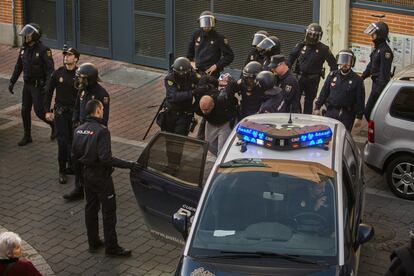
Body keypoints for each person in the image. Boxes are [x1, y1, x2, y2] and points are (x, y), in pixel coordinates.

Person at [72, 99, 139, 257]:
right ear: (97, 111)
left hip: (86, 174)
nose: (103, 111)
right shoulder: (102, 131)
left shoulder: (78, 129)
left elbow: (74, 155)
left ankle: (93, 242)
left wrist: (79, 178)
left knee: (91, 208)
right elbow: (106, 158)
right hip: (101, 177)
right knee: (109, 212)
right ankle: (112, 247)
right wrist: (129, 165)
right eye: (101, 109)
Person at [63, 62, 110, 201]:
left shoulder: (102, 94)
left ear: (90, 79)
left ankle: (96, 188)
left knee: (93, 162)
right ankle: (79, 187)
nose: (79, 81)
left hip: (93, 134)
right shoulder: (82, 91)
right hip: (80, 131)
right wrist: (75, 121)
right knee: (76, 159)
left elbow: (104, 118)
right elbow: (77, 107)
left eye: (82, 78)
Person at [8, 23, 55, 146]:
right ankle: (27, 135)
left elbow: (50, 70)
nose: (25, 38)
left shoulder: (44, 50)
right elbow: (18, 66)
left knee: (39, 111)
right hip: (27, 85)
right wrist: (12, 81)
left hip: (38, 86)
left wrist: (48, 85)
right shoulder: (24, 49)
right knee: (24, 110)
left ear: (34, 36)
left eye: (27, 36)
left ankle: (54, 126)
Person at [44, 47, 80, 184]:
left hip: (74, 114)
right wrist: (47, 111)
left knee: (74, 142)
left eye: (69, 55)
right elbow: (48, 92)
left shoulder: (79, 75)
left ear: (76, 58)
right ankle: (62, 170)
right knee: (62, 143)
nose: (66, 57)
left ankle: (72, 166)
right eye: (65, 55)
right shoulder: (58, 73)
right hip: (60, 114)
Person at [288, 23, 337, 114]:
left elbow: (333, 64)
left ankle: (306, 119)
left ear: (319, 36)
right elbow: (291, 57)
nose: (312, 37)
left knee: (309, 101)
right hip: (300, 77)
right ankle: (296, 116)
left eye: (315, 35)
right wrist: (288, 72)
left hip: (313, 79)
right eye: (310, 34)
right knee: (295, 98)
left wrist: (332, 78)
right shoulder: (301, 45)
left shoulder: (324, 49)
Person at [314, 49, 365, 131]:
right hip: (331, 111)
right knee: (327, 135)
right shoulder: (332, 75)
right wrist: (317, 107)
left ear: (352, 63)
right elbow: (324, 92)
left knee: (342, 137)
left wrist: (359, 117)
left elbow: (360, 100)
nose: (344, 64)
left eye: (347, 61)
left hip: (347, 115)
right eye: (342, 60)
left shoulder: (357, 80)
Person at [197, 74, 237, 155]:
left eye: (207, 110)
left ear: (212, 105)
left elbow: (233, 84)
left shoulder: (224, 98)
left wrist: (230, 80)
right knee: (209, 145)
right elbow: (204, 78)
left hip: (225, 123)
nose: (204, 112)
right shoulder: (202, 93)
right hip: (211, 123)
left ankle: (220, 163)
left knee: (222, 151)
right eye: (221, 85)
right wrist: (214, 81)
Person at [187, 10, 234, 79]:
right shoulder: (196, 34)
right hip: (196, 71)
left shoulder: (219, 38)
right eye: (204, 22)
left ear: (213, 22)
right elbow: (189, 52)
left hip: (211, 73)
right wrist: (191, 62)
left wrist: (217, 66)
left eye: (209, 22)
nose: (206, 26)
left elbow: (229, 56)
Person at [362, 21, 394, 120]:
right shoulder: (378, 48)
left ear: (380, 35)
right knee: (370, 113)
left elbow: (384, 74)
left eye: (374, 33)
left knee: (369, 112)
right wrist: (362, 77)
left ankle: (376, 133)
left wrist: (378, 91)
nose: (371, 35)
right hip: (375, 83)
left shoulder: (385, 51)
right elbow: (371, 65)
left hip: (379, 87)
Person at [162, 57, 200, 136]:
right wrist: (192, 92)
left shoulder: (194, 77)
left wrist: (194, 108)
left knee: (179, 139)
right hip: (171, 113)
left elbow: (200, 94)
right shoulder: (170, 78)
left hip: (184, 114)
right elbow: (173, 97)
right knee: (168, 138)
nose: (181, 76)